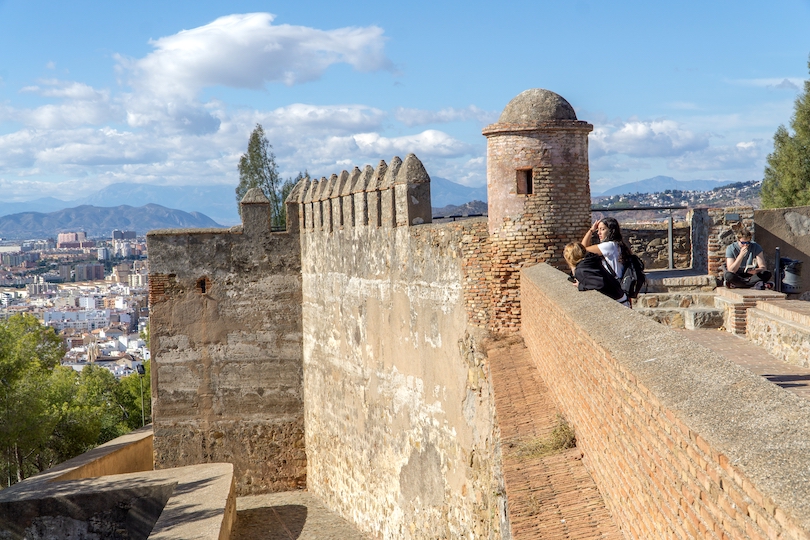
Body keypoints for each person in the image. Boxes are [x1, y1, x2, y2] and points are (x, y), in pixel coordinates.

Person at [564, 242, 630, 307]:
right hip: (621, 296)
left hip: (617, 302)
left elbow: (599, 284)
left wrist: (581, 286)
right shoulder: (591, 261)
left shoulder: (581, 270)